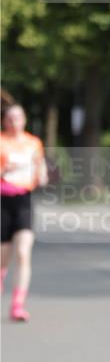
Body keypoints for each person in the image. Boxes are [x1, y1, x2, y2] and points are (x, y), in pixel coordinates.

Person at [1, 103, 47, 321]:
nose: (14, 122)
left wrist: (43, 175)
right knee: (3, 258)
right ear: (4, 121)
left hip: (23, 200)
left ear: (24, 120)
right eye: (10, 118)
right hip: (2, 201)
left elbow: (40, 167)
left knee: (23, 252)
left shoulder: (33, 143)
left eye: (18, 117)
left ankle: (17, 305)